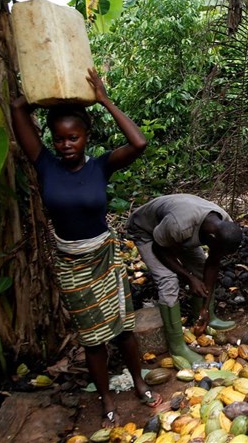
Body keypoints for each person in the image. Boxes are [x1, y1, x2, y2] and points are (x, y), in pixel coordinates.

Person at [11, 68, 161, 428]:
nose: (65, 146)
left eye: (73, 138)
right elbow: (17, 109)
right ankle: (106, 396)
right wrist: (41, 91)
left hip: (106, 257)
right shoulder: (45, 164)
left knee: (123, 329)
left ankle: (139, 382)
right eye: (60, 139)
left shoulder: (101, 166)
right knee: (93, 338)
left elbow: (139, 144)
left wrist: (104, 99)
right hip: (70, 262)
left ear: (85, 137)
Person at [126, 194, 243, 364]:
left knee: (200, 267)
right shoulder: (179, 225)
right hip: (147, 232)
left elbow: (212, 263)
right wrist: (188, 278)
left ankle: (203, 317)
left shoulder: (224, 223)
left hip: (177, 235)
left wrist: (205, 308)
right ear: (211, 238)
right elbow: (160, 250)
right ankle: (177, 347)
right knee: (168, 280)